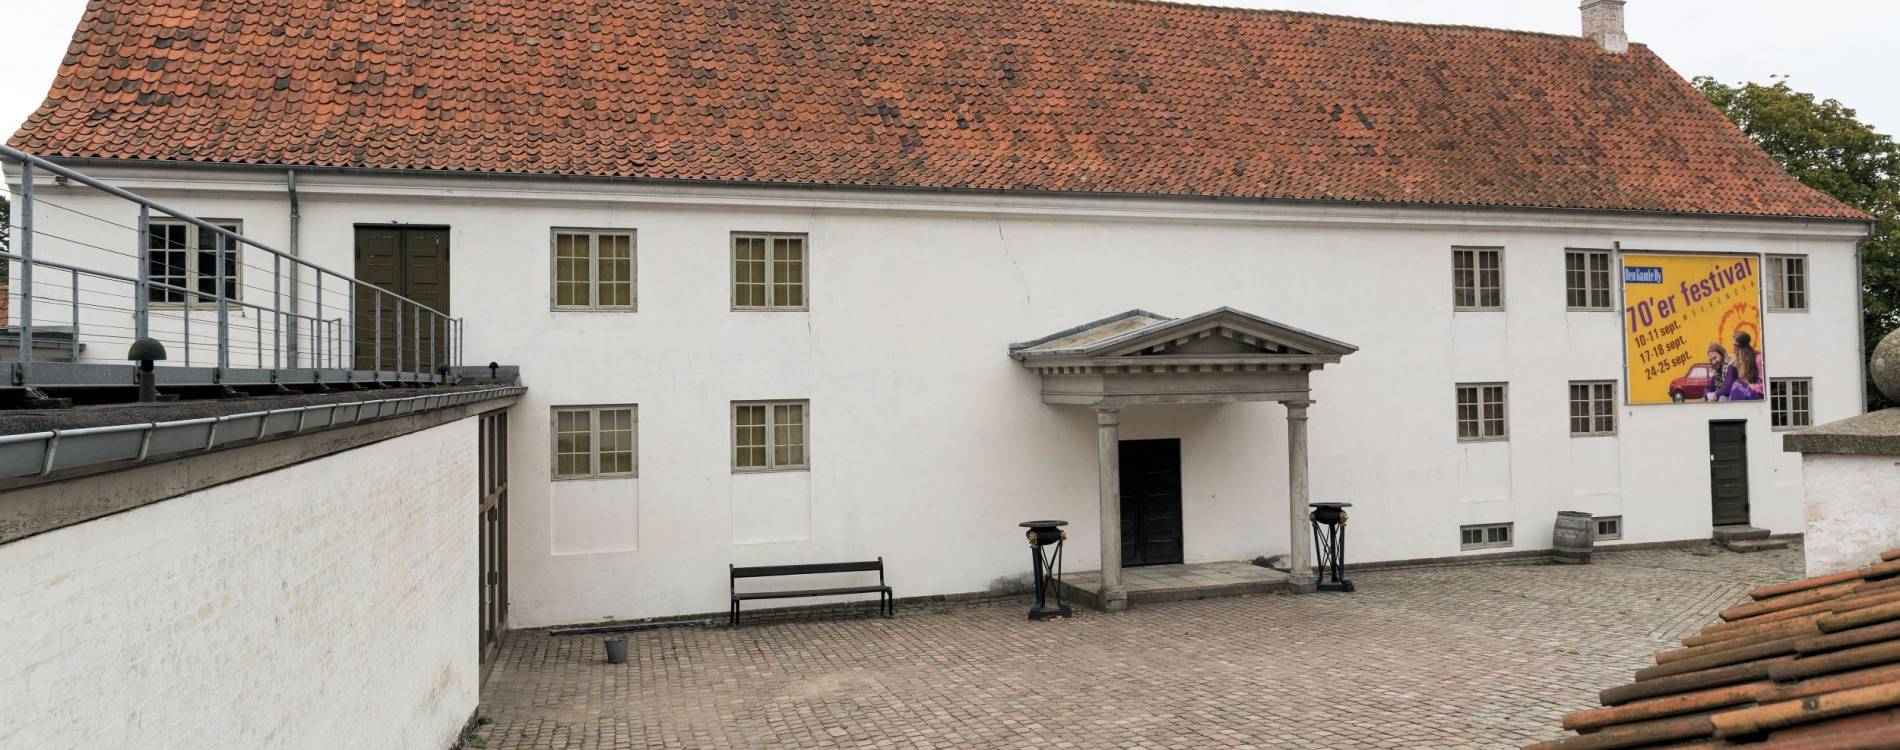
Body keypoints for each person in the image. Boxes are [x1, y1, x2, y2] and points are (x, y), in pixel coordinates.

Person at [1721, 331, 1764, 401]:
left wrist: (1755, 387)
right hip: (1748, 392)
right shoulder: (1740, 360)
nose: (1733, 349)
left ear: (1743, 347)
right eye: (1733, 345)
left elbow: (1765, 384)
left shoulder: (1758, 358)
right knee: (1724, 396)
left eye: (1736, 346)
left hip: (1758, 394)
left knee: (1737, 384)